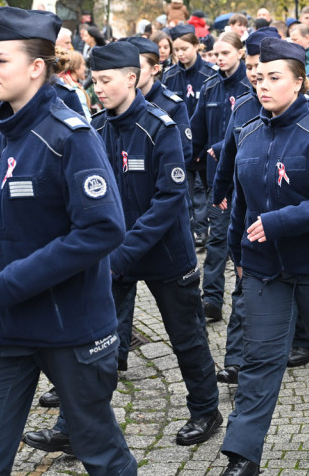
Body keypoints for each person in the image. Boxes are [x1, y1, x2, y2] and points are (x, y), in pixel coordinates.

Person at [0, 7, 136, 475]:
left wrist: (9, 283)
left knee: (99, 449)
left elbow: (102, 229)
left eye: (1, 60)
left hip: (69, 328)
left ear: (36, 67)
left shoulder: (70, 135)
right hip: (5, 327)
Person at [217, 37, 309, 476]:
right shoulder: (245, 132)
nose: (263, 85)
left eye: (274, 78)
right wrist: (237, 253)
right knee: (259, 358)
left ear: (300, 83)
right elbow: (241, 203)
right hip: (265, 269)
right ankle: (242, 453)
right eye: (259, 78)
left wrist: (283, 220)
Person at [85, 42, 221, 446]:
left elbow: (169, 201)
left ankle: (205, 410)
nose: (99, 90)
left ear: (132, 78)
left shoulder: (160, 127)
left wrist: (121, 252)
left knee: (187, 337)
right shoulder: (95, 129)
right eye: (94, 82)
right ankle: (81, 424)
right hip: (114, 256)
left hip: (164, 254)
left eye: (105, 81)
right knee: (98, 339)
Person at [207, 27, 278, 386]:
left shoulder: (301, 108)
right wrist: (220, 193)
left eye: (261, 67)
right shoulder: (244, 106)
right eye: (250, 67)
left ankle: (300, 341)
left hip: (287, 210)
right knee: (243, 283)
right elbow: (229, 157)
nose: (253, 75)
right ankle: (236, 360)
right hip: (248, 208)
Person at [190, 32, 250, 324]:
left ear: (240, 53)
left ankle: (248, 296)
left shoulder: (252, 84)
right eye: (215, 54)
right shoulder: (210, 87)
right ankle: (212, 299)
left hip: (249, 178)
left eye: (225, 53)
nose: (219, 58)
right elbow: (196, 134)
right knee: (217, 240)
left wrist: (222, 147)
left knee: (246, 240)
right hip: (219, 181)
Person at [163, 24, 216, 248]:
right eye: (177, 50)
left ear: (196, 46)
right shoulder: (170, 76)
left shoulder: (210, 74)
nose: (181, 54)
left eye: (185, 48)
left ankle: (205, 230)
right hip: (179, 145)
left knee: (205, 192)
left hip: (205, 144)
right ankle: (190, 229)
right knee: (184, 190)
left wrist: (203, 145)